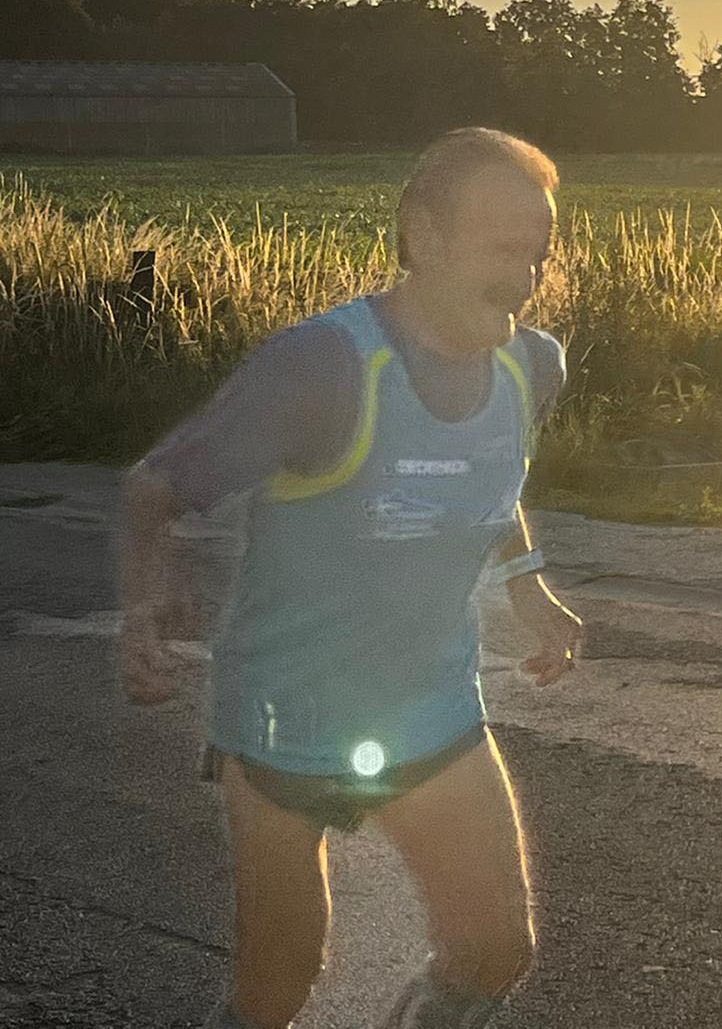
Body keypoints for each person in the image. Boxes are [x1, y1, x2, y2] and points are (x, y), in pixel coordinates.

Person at [117, 127, 585, 1029]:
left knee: (495, 950)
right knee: (280, 984)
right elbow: (156, 487)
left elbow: (487, 477)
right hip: (285, 718)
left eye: (538, 254)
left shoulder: (533, 366)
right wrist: (143, 610)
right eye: (502, 250)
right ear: (423, 234)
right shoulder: (322, 367)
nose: (526, 277)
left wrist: (528, 582)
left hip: (431, 705)